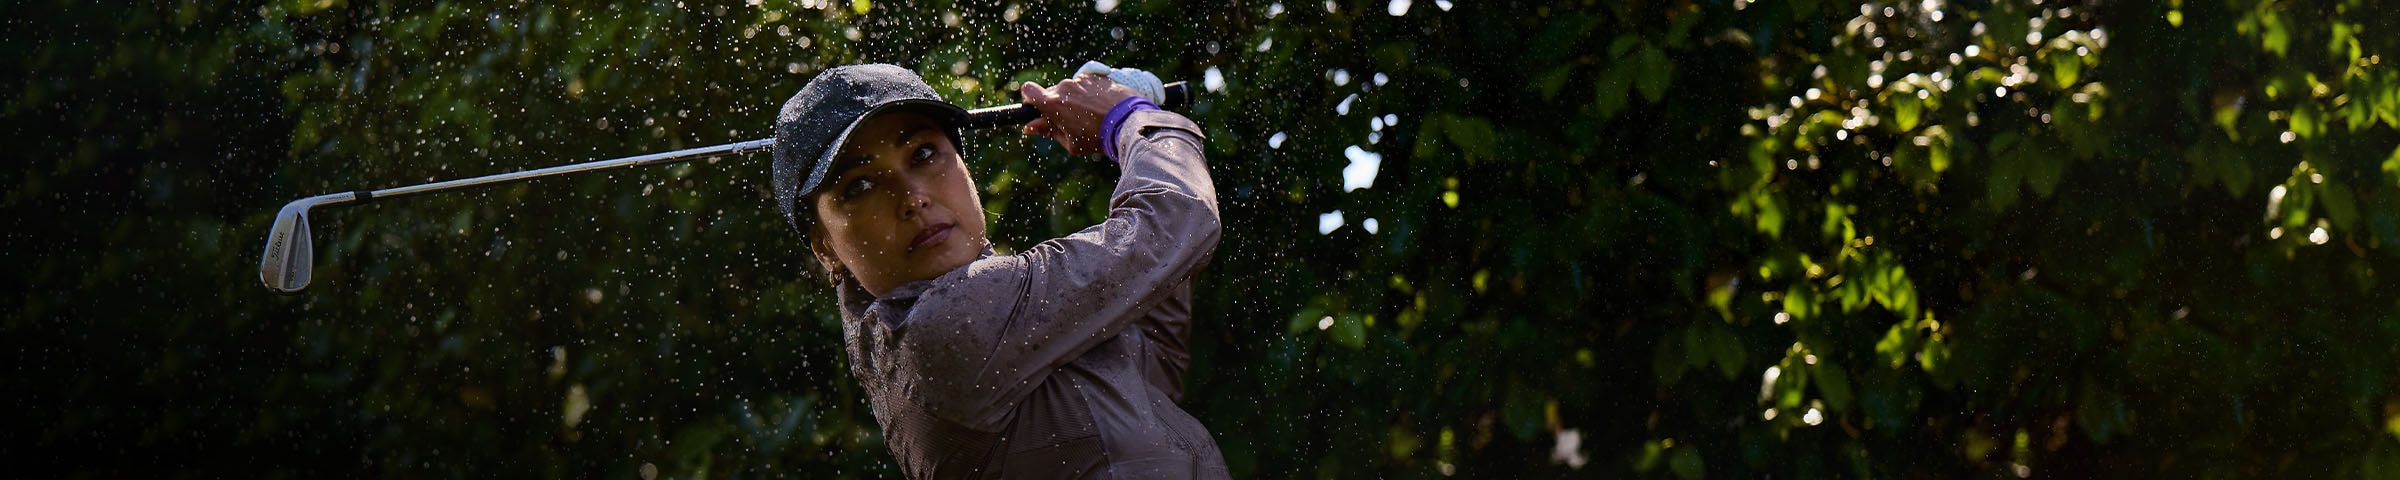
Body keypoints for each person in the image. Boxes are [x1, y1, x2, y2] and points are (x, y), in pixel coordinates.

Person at [770, 63, 1228, 479]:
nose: (911, 198)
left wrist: (1127, 140)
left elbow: (1156, 349)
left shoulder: (999, 327)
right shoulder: (942, 326)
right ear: (825, 248)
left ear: (964, 167)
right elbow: (1177, 221)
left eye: (923, 155)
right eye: (861, 185)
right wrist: (1127, 118)